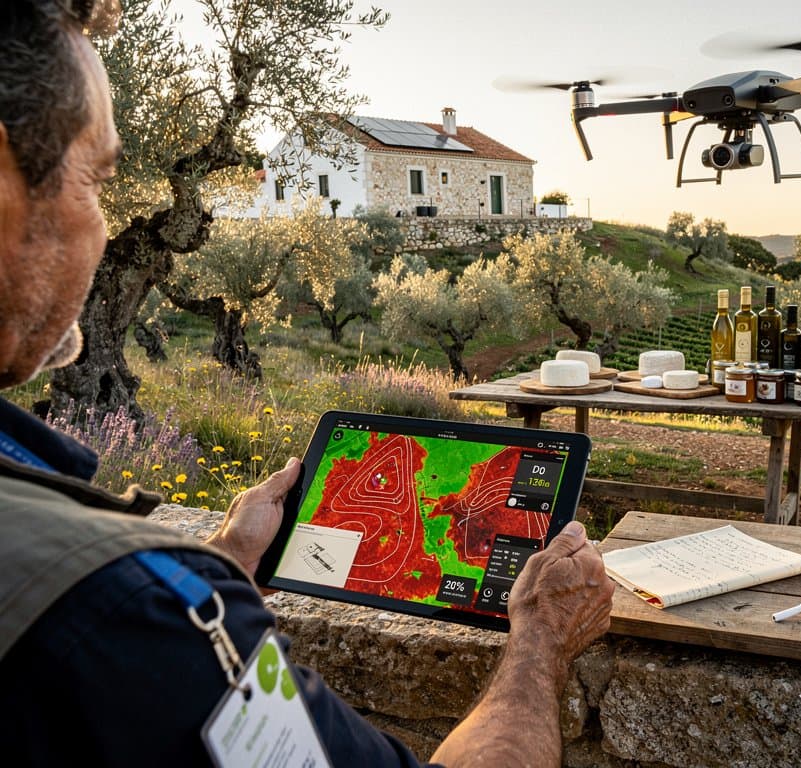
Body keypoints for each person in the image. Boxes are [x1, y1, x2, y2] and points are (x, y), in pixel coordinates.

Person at [0, 2, 616, 766]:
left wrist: (228, 558)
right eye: (97, 181)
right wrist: (541, 644)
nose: (105, 226)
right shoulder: (119, 603)